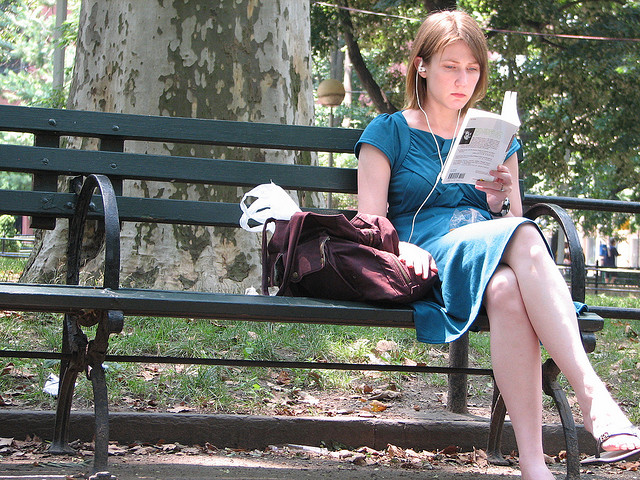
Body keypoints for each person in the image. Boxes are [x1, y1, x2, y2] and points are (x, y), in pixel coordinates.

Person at [355, 9, 640, 480]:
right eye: (450, 66)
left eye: (472, 69)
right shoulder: (388, 132)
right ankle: (594, 398)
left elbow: (512, 219)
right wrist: (402, 248)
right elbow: (370, 220)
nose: (462, 80)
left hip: (488, 254)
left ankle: (532, 464)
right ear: (421, 66)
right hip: (426, 257)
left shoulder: (493, 136)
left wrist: (500, 198)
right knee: (524, 236)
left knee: (507, 289)